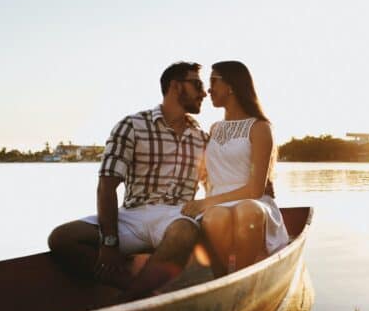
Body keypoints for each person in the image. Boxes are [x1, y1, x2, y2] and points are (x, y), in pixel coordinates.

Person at [48, 61, 208, 293]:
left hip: (178, 216)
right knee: (61, 238)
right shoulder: (132, 125)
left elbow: (215, 188)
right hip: (132, 217)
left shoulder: (203, 138)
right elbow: (106, 186)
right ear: (176, 86)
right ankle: (135, 288)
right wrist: (109, 242)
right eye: (197, 84)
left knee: (185, 231)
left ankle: (133, 300)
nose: (204, 92)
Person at [180, 61, 289, 273]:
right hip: (217, 202)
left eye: (213, 81)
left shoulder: (260, 128)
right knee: (215, 216)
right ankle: (221, 278)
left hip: (252, 201)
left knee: (248, 211)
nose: (208, 89)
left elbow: (255, 190)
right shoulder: (214, 128)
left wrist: (205, 202)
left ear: (231, 86)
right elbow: (207, 175)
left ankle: (242, 276)